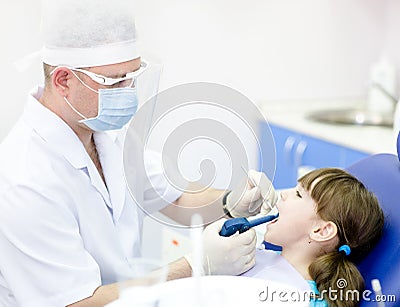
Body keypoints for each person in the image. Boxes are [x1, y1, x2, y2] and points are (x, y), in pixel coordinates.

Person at [0, 1, 278, 306]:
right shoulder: (23, 180)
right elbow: (75, 302)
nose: (128, 91)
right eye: (115, 80)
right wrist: (196, 266)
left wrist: (230, 200)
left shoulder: (103, 133)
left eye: (133, 76)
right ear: (64, 80)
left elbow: (173, 196)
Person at [243, 168, 384, 307]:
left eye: (298, 194)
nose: (283, 194)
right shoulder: (258, 256)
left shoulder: (303, 299)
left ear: (321, 231)